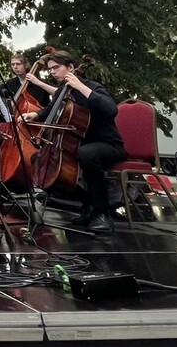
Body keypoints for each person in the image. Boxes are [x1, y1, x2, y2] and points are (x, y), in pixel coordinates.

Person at [21, 50, 126, 233]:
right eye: (50, 69)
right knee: (43, 160)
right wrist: (35, 114)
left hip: (108, 145)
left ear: (70, 67)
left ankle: (102, 213)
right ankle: (88, 205)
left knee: (86, 154)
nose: (52, 72)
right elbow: (50, 109)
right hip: (79, 144)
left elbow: (111, 109)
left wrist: (80, 86)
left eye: (56, 67)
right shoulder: (62, 91)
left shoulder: (93, 87)